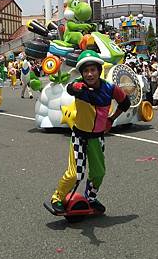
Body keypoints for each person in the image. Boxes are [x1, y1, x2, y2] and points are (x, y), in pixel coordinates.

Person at [50, 50, 131, 214]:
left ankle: (90, 199)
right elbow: (70, 88)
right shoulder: (79, 85)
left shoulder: (110, 88)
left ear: (99, 71)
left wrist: (111, 119)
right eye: (85, 71)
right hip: (79, 136)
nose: (89, 74)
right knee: (75, 174)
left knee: (99, 173)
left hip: (97, 138)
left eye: (92, 70)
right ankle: (57, 198)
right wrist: (76, 87)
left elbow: (126, 103)